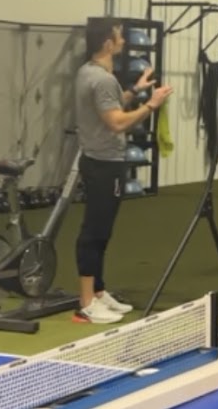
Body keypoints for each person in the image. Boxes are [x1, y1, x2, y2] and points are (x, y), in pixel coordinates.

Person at [73, 18, 173, 324]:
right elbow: (116, 122)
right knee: (94, 232)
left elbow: (110, 106)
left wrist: (135, 90)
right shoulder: (102, 80)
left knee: (102, 230)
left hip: (102, 161)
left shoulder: (90, 72)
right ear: (108, 43)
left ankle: (99, 292)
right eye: (119, 37)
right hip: (104, 164)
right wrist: (151, 104)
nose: (123, 41)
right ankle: (86, 303)